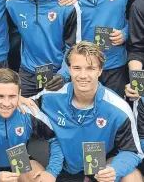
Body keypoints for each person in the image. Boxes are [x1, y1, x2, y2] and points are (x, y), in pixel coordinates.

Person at [30, 41, 143, 182]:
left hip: (99, 169)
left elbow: (133, 151)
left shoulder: (118, 108)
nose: (83, 75)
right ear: (69, 69)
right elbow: (19, 112)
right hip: (58, 166)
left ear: (100, 70)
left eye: (90, 68)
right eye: (77, 68)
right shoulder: (49, 97)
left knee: (133, 177)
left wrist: (115, 169)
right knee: (23, 168)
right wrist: (18, 101)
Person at [0, 68, 63, 182]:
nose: (6, 103)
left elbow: (55, 139)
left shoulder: (29, 113)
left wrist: (52, 172)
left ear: (19, 94)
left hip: (18, 159)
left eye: (12, 96)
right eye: (0, 96)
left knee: (41, 179)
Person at [5, 0, 80, 97]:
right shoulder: (13, 3)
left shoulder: (67, 4)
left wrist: (64, 74)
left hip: (58, 75)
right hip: (27, 75)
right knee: (25, 116)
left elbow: (73, 47)